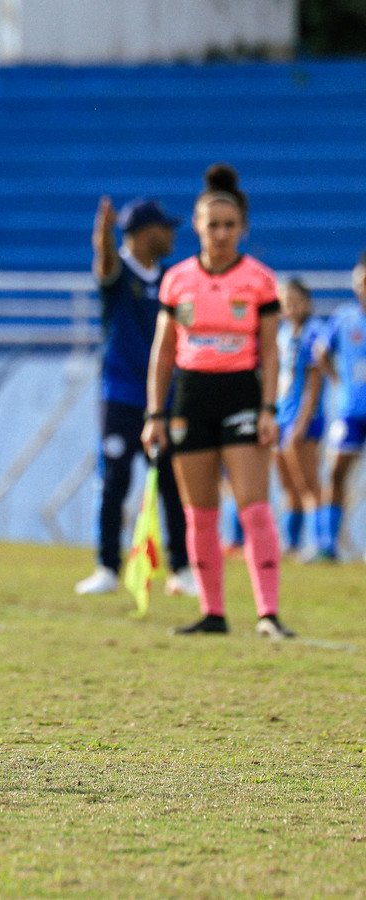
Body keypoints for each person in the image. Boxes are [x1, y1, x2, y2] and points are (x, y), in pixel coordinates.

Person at [141, 164, 292, 639]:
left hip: (242, 395)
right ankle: (213, 614)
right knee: (199, 513)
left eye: (230, 225)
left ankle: (268, 614)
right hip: (190, 398)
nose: (222, 234)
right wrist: (155, 414)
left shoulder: (260, 280)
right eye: (213, 225)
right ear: (198, 226)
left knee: (254, 507)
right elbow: (164, 351)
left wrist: (269, 409)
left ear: (242, 228)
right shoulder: (177, 280)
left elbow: (271, 351)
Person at [75, 196, 194, 598]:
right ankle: (107, 567)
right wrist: (102, 235)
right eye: (165, 228)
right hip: (121, 395)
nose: (172, 236)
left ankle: (182, 569)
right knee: (115, 482)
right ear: (144, 233)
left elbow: (184, 332)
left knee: (173, 485)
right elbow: (105, 264)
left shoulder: (173, 279)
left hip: (166, 397)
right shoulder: (120, 273)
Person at [313, 251, 366, 561]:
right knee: (335, 472)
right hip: (351, 412)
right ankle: (327, 544)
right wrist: (337, 380)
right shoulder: (345, 318)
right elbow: (320, 351)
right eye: (360, 282)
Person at [272, 277, 328, 556]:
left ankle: (320, 543)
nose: (290, 307)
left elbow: (314, 382)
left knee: (308, 481)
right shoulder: (283, 334)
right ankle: (292, 543)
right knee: (288, 483)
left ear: (307, 302)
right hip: (282, 417)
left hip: (304, 419)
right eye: (285, 302)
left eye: (295, 301)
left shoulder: (314, 332)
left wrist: (302, 422)